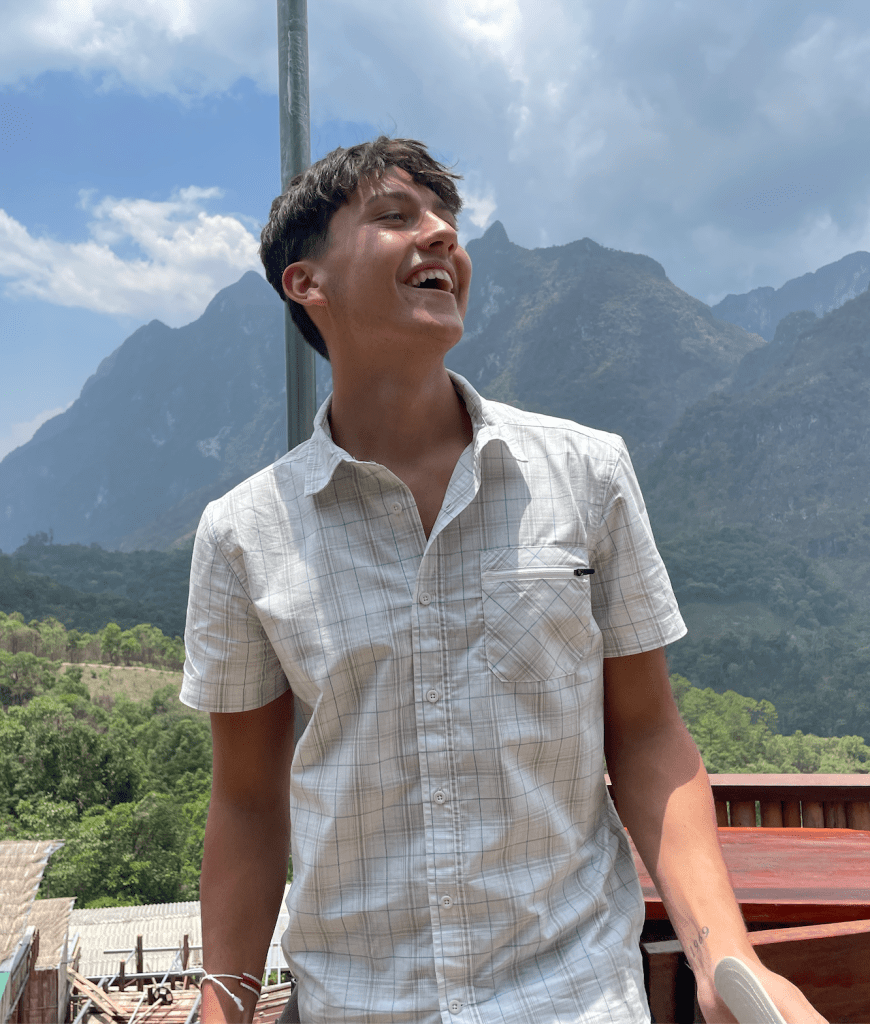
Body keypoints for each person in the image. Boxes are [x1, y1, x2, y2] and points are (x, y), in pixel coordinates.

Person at [181, 137, 825, 1024]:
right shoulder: (242, 534)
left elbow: (646, 735)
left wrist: (724, 955)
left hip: (576, 997)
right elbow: (249, 802)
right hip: (356, 1003)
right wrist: (223, 1004)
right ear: (307, 282)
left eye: (447, 218)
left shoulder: (588, 473)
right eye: (395, 216)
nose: (441, 235)